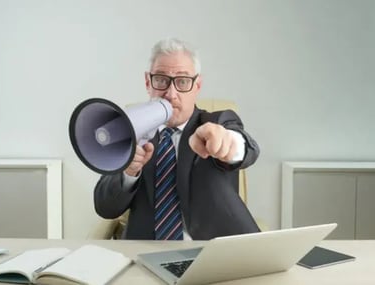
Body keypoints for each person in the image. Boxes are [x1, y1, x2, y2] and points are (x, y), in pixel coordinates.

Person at [94, 38, 260, 240]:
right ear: (148, 82)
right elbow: (105, 208)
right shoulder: (132, 130)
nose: (170, 94)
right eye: (162, 80)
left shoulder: (217, 122)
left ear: (197, 86)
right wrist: (128, 173)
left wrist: (230, 144)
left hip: (208, 255)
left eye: (182, 81)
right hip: (145, 252)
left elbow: (249, 150)